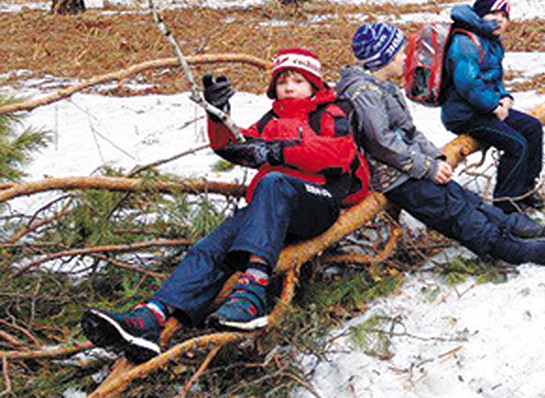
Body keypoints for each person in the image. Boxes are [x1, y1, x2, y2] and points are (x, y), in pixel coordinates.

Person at [81, 48, 370, 364]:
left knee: (275, 183)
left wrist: (277, 152)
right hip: (271, 210)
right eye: (283, 80)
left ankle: (252, 293)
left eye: (298, 80)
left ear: (314, 85)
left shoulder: (332, 112)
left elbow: (337, 154)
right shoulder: (271, 120)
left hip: (318, 202)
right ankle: (150, 318)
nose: (289, 87)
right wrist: (217, 113)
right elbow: (234, 146)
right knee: (211, 246)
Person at [338, 22, 545, 267]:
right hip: (394, 176)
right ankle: (511, 250)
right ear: (383, 57)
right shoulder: (364, 93)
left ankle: (519, 228)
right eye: (400, 53)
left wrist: (434, 159)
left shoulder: (382, 87)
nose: (406, 57)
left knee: (465, 199)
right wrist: (427, 168)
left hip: (410, 165)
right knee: (455, 214)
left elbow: (409, 131)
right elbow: (382, 143)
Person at [441, 0, 545, 213]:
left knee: (532, 127)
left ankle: (526, 190)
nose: (499, 19)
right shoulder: (465, 41)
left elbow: (494, 79)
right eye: (493, 14)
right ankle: (506, 206)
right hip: (464, 114)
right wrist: (493, 105)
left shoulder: (490, 41)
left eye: (504, 15)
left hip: (485, 108)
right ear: (480, 15)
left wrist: (505, 97)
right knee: (516, 144)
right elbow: (468, 85)